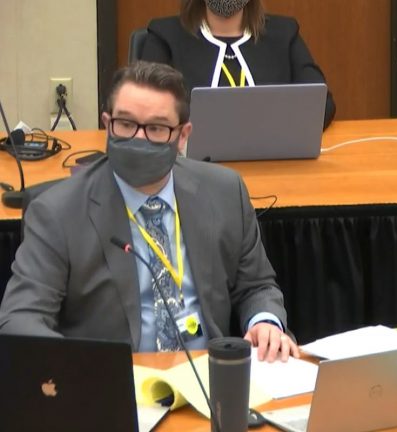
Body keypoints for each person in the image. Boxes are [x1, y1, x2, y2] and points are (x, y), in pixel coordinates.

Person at [0, 61, 299, 362]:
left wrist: (265, 321)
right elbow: (20, 319)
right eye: (126, 124)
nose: (139, 138)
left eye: (156, 128)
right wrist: (82, 370)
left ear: (183, 136)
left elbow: (256, 286)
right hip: (115, 378)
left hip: (208, 374)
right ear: (107, 124)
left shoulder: (224, 192)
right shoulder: (58, 212)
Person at [140, 0, 336, 129]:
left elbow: (321, 103)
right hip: (195, 166)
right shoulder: (165, 35)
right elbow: (144, 105)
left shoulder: (285, 33)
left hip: (274, 163)